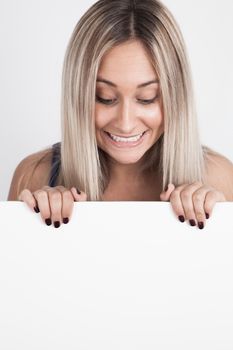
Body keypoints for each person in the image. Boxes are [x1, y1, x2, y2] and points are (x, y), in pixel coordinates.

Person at [7, 0, 233, 229]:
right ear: (77, 96)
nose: (125, 124)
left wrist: (221, 230)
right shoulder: (35, 175)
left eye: (147, 97)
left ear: (177, 97)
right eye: (105, 97)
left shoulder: (219, 178)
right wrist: (35, 222)